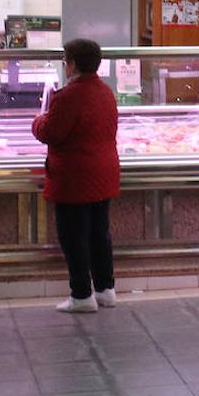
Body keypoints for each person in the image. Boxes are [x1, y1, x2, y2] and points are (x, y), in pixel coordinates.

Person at [32, 39, 120, 313]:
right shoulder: (105, 91)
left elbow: (51, 132)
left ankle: (81, 295)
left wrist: (38, 120)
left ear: (71, 63)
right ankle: (105, 289)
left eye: (65, 60)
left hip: (75, 177)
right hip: (103, 172)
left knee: (74, 237)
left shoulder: (69, 96)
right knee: (98, 234)